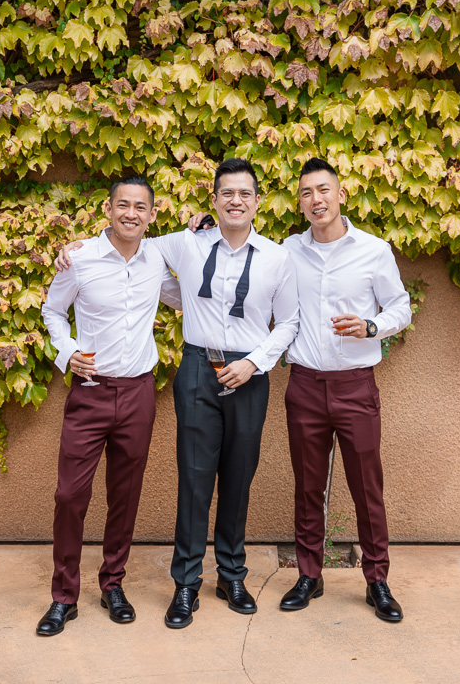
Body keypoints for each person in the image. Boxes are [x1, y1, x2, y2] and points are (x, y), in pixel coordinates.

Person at [57, 158, 299, 629]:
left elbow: (288, 321)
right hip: (196, 367)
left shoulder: (277, 256)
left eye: (244, 194)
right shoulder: (184, 242)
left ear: (256, 201)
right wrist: (75, 248)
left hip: (249, 370)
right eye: (225, 193)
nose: (235, 201)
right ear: (212, 200)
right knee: (193, 479)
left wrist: (253, 363)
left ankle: (231, 574)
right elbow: (127, 242)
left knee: (238, 476)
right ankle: (186, 584)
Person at [37, 176, 181, 636]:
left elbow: (197, 264)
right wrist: (66, 353)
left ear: (152, 214)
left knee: (125, 494)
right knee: (69, 496)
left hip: (138, 393)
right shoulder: (77, 259)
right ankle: (64, 596)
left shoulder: (157, 257)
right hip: (90, 392)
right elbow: (51, 312)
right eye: (124, 205)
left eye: (141, 207)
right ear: (108, 209)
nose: (131, 214)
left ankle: (112, 584)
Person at [279, 157, 411, 622]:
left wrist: (372, 325)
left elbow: (400, 307)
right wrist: (200, 228)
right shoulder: (288, 251)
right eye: (306, 194)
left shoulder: (373, 250)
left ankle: (377, 580)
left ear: (341, 195)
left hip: (356, 386)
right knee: (307, 487)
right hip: (305, 386)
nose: (316, 200)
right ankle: (309, 575)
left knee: (366, 488)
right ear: (300, 203)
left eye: (323, 190)